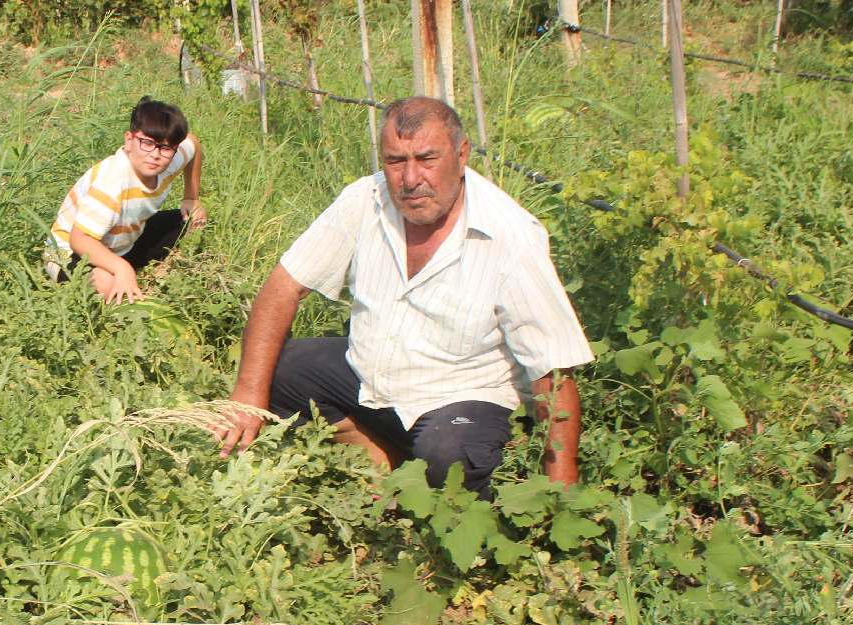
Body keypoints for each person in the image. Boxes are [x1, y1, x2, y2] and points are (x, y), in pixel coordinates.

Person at [214, 96, 594, 495]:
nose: (410, 179)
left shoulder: (511, 237)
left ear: (462, 154)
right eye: (395, 161)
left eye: (427, 159)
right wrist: (247, 395)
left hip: (459, 397)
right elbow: (284, 286)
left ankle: (439, 474)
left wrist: (561, 495)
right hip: (371, 376)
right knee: (276, 368)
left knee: (447, 454)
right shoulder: (366, 200)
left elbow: (554, 370)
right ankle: (381, 459)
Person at [47, 97, 207, 305]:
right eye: (147, 143)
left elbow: (193, 143)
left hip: (124, 241)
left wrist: (191, 197)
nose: (155, 155)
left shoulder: (169, 159)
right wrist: (121, 268)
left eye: (165, 148)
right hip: (70, 253)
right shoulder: (113, 181)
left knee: (194, 220)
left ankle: (172, 274)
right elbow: (79, 239)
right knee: (105, 283)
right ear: (129, 140)